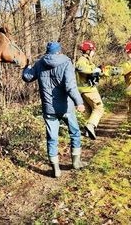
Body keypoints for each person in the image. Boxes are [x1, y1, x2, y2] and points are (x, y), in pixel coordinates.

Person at [22, 41, 87, 178]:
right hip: (66, 107)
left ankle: (56, 170)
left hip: (49, 108)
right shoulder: (66, 62)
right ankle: (76, 162)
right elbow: (70, 86)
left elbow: (27, 77)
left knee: (52, 138)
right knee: (74, 132)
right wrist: (79, 102)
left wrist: (26, 66)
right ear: (59, 51)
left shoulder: (39, 63)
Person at [75, 40, 104, 140]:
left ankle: (87, 132)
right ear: (87, 51)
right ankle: (91, 125)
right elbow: (81, 68)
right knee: (99, 108)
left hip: (83, 90)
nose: (93, 52)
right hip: (88, 89)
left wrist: (98, 71)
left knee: (89, 110)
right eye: (92, 50)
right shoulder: (82, 60)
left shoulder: (87, 60)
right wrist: (94, 71)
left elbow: (91, 72)